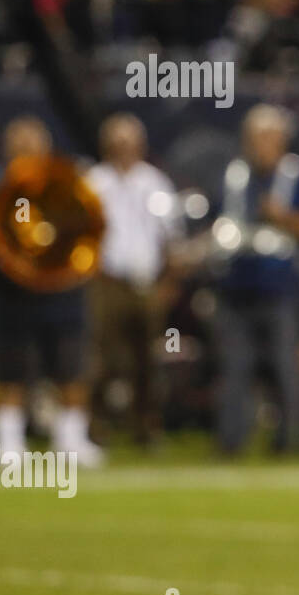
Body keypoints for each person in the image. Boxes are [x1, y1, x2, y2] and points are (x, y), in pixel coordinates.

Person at [0, 117, 103, 467]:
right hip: (11, 295)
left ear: (46, 148)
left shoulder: (66, 184)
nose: (25, 153)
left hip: (60, 291)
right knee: (11, 369)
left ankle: (72, 440)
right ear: (7, 152)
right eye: (18, 148)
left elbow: (88, 228)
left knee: (70, 368)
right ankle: (8, 443)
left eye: (31, 146)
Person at [212, 105, 299, 453]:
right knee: (234, 369)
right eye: (255, 137)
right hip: (234, 288)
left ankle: (289, 443)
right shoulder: (233, 175)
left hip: (282, 290)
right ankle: (231, 443)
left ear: (282, 140)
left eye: (269, 137)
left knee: (286, 368)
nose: (261, 145)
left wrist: (284, 218)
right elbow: (216, 225)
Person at [86, 113, 181, 446]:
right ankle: (94, 426)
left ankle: (146, 426)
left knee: (147, 359)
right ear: (106, 145)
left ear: (140, 146)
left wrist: (169, 282)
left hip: (146, 282)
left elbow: (171, 238)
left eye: (129, 142)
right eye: (117, 142)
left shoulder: (156, 183)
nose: (123, 148)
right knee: (101, 359)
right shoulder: (93, 182)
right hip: (105, 281)